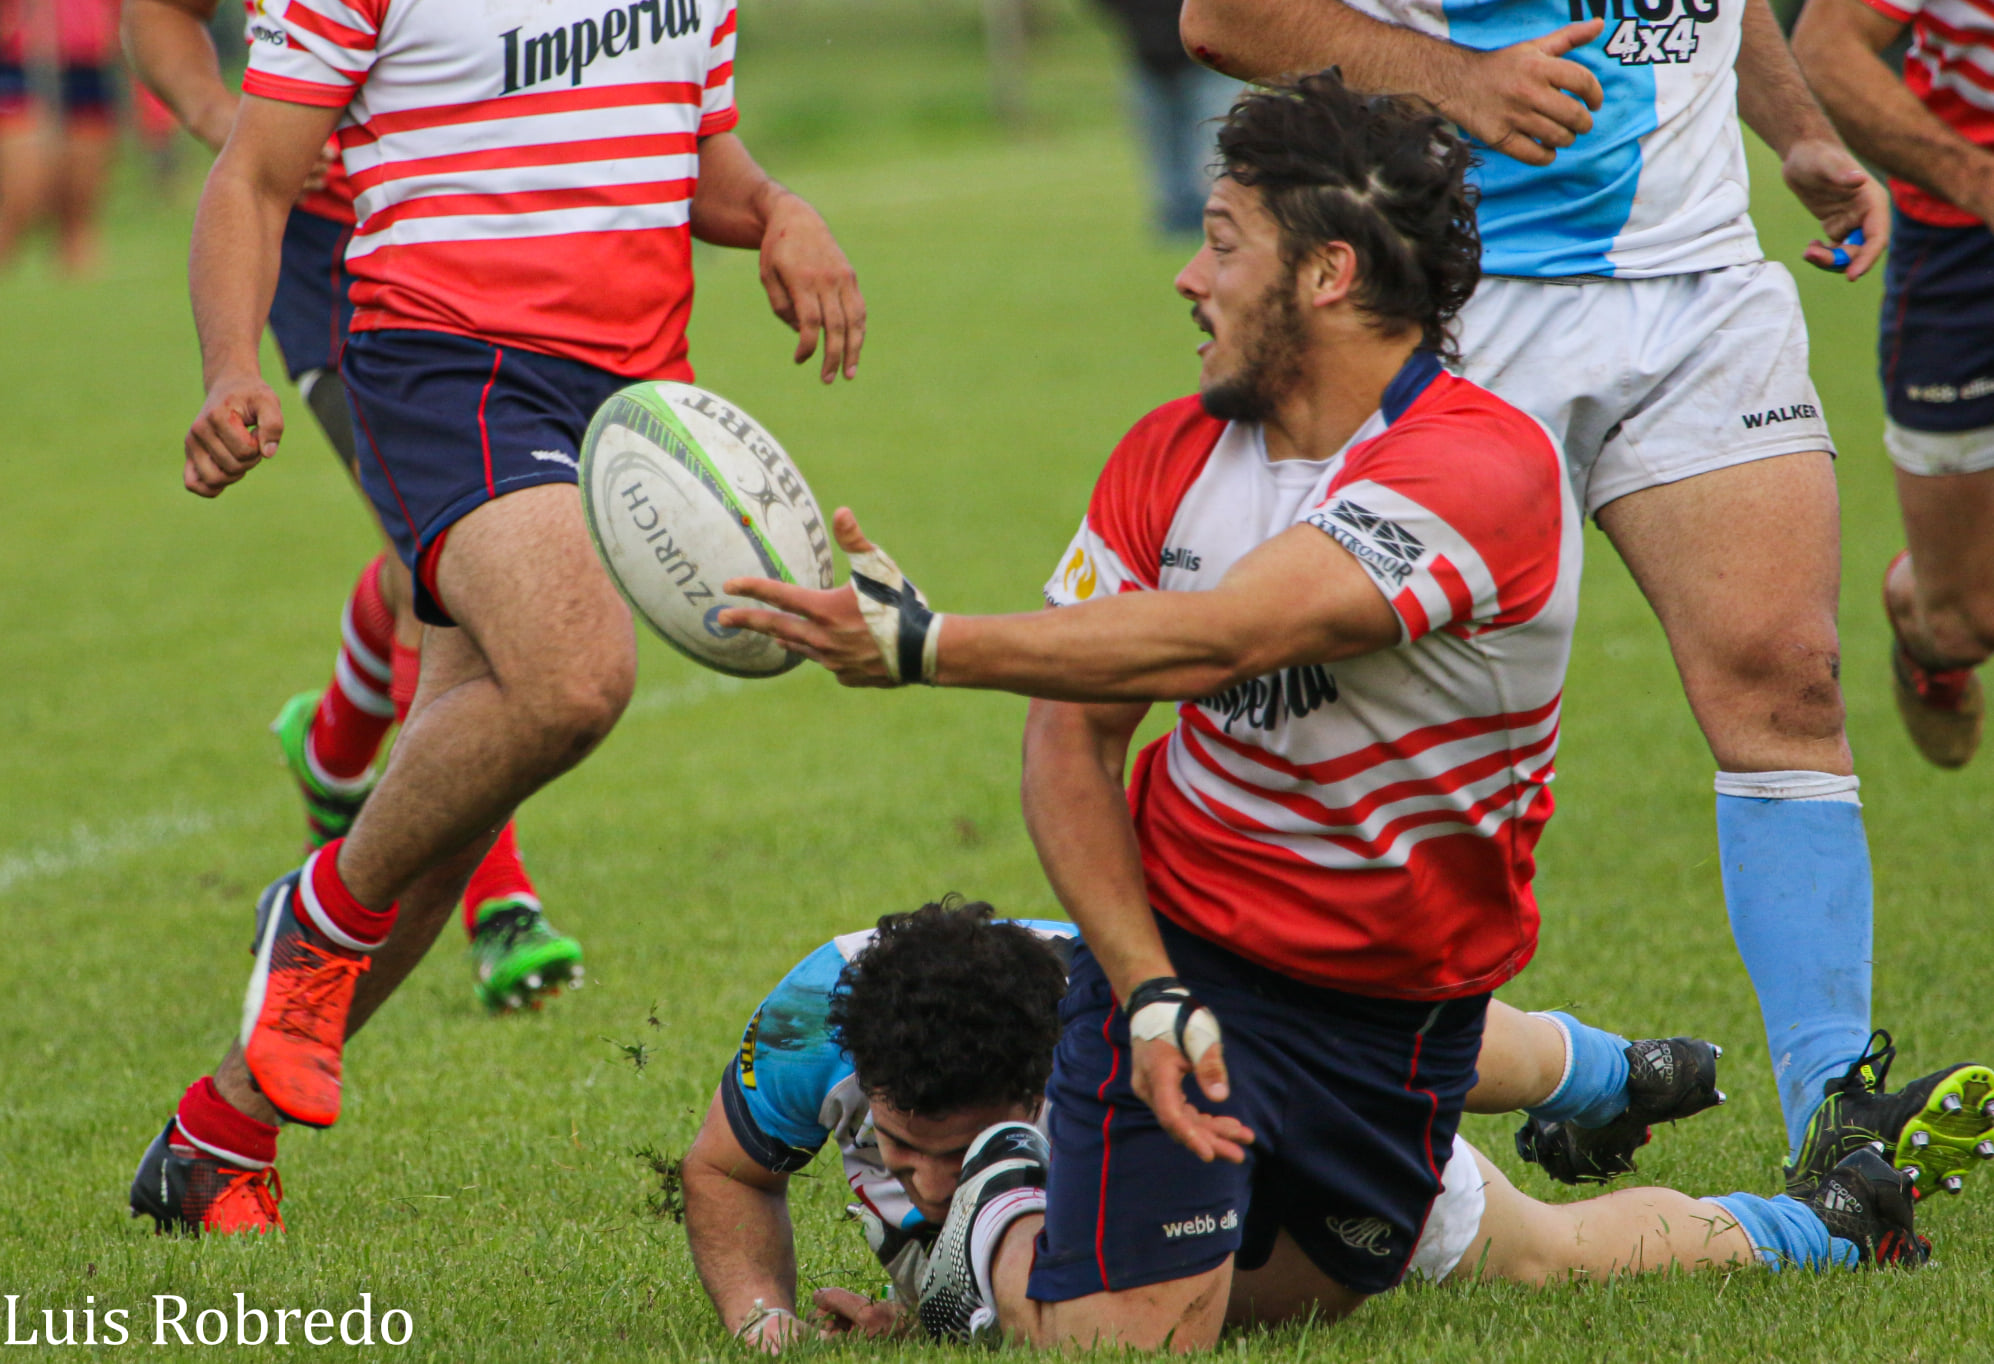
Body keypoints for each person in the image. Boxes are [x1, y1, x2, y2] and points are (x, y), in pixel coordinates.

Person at [721, 73, 1921, 1349]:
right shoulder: (1164, 455)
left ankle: (1819, 1222)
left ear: (1328, 272)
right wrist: (1140, 987)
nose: (1189, 275)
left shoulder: (1483, 465)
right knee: (1124, 1338)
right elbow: (1074, 732)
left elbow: (1239, 625)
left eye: (1223, 240)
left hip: (1390, 1021)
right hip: (1195, 954)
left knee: (1477, 1264)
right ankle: (996, 1207)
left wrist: (926, 642)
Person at [1167, 0, 1994, 1196]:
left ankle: (1834, 1113)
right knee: (1375, 727)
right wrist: (1459, 76)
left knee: (1786, 676)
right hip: (1452, 299)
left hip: (1703, 280)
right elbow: (1222, 17)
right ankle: (1563, 1075)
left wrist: (1795, 129)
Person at [127, 0, 866, 1235]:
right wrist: (232, 368)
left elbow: (702, 160)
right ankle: (316, 913)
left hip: (632, 393)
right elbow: (254, 176)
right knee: (575, 676)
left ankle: (217, 1139)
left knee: (458, 787)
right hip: (451, 358)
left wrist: (784, 212)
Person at [686, 901, 1922, 1352]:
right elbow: (724, 1168)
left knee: (1540, 1249)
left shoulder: (1135, 1068)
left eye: (964, 1151)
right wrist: (764, 1320)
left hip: (1270, 1137)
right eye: (904, 1144)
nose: (925, 1175)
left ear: (1047, 1093)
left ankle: (1809, 1214)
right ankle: (1613, 1086)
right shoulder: (811, 1024)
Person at [123, 0, 586, 1017]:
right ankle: (498, 894)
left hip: (484, 253)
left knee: (439, 550)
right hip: (332, 257)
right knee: (442, 554)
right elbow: (158, 13)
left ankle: (330, 744)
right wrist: (221, 116)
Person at [1793, 0, 1994, 769]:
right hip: (1961, 241)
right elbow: (1830, 44)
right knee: (1967, 617)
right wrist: (1980, 183)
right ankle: (1928, 630)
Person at [1091, 0, 1241, 234]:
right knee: (1163, 145)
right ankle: (1177, 221)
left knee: (1216, 145)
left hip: (1211, 60)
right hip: (1148, 57)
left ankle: (1222, 218)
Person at [0, 0, 121, 273]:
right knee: (21, 196)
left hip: (87, 64)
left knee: (80, 203)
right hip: (20, 61)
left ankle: (78, 291)